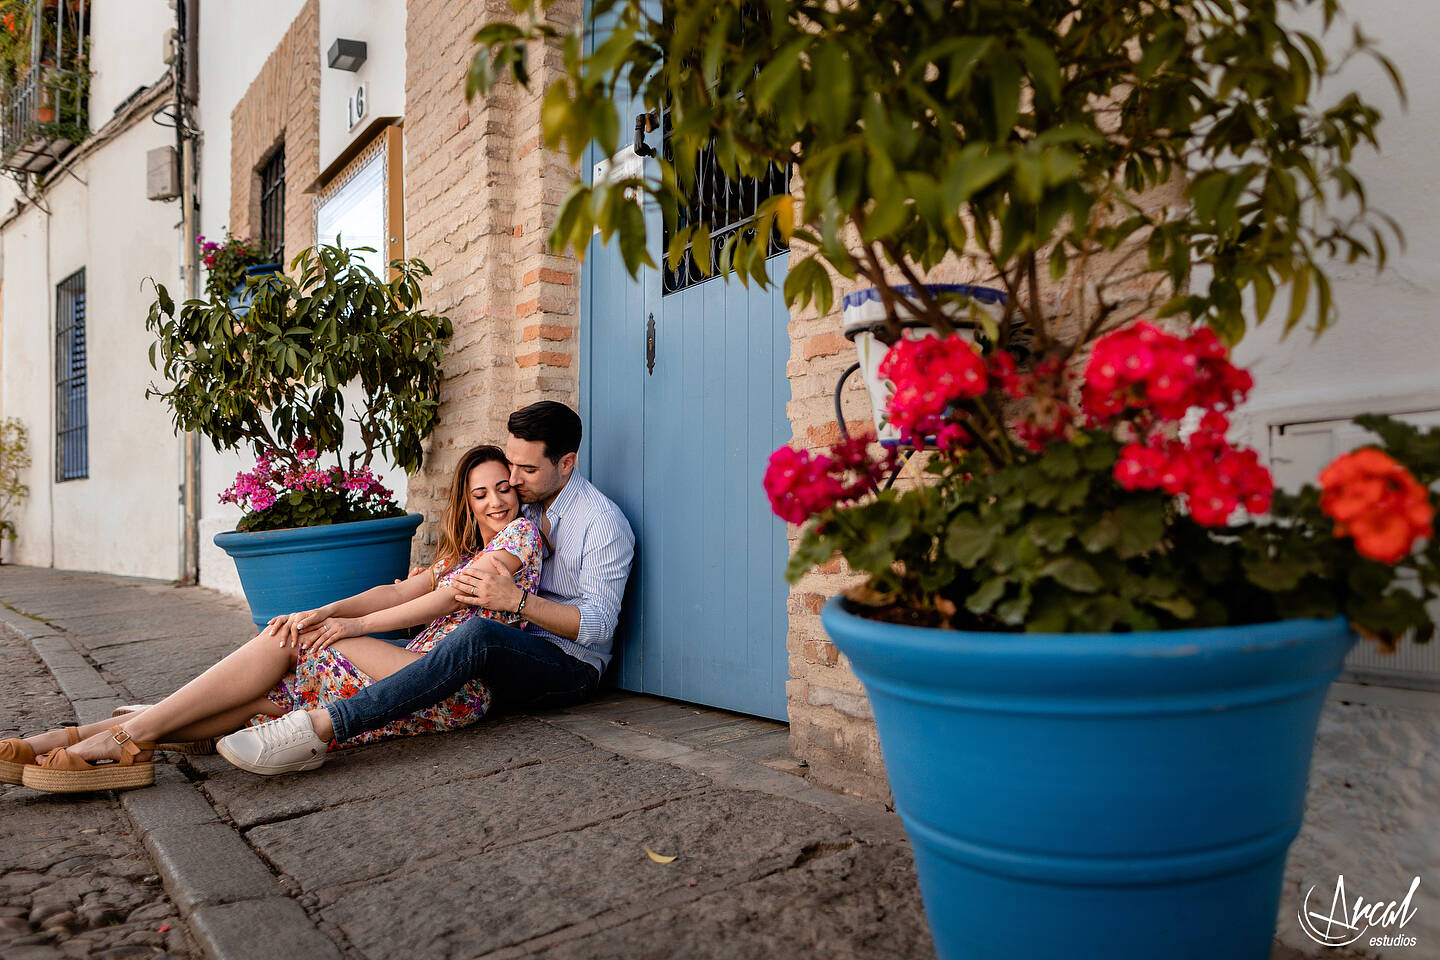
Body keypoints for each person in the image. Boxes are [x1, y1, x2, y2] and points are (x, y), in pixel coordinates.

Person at [0, 445, 540, 793]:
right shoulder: (458, 557)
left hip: (451, 684)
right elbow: (391, 591)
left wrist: (348, 629)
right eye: (480, 493)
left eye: (504, 488)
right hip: (408, 665)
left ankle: (116, 735)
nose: (496, 501)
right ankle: (89, 739)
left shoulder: (521, 537)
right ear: (466, 504)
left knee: (293, 645)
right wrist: (326, 611)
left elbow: (448, 602)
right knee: (269, 696)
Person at [215, 400, 635, 776]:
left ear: (566, 463)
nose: (513, 478)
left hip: (567, 666)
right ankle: (179, 722)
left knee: (481, 636)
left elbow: (597, 627)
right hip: (501, 655)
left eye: (526, 470)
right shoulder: (521, 499)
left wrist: (518, 601)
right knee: (335, 652)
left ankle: (324, 726)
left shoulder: (601, 523)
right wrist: (431, 575)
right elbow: (474, 544)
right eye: (511, 465)